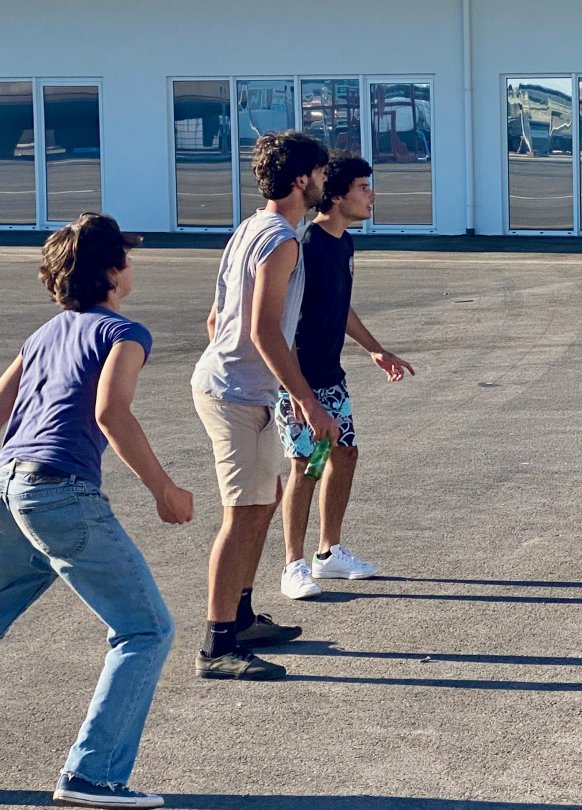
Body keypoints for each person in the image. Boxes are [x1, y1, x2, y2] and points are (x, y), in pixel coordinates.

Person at [0, 214, 193, 809]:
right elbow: (112, 415)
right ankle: (92, 775)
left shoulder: (42, 334)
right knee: (146, 628)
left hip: (6, 488)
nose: (133, 263)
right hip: (60, 493)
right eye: (126, 255)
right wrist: (164, 491)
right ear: (110, 272)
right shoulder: (123, 334)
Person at [191, 131, 336, 680]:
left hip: (237, 386)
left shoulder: (251, 228)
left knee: (265, 498)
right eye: (321, 172)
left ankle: (243, 616)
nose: (326, 181)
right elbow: (262, 328)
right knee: (244, 515)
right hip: (235, 393)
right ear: (302, 179)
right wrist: (307, 400)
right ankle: (218, 645)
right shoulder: (282, 240)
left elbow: (216, 319)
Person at [278, 151, 414, 600]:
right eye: (362, 187)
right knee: (308, 465)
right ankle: (293, 565)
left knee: (345, 456)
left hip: (330, 376)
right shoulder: (308, 247)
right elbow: (284, 321)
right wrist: (299, 392)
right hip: (298, 380)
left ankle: (329, 552)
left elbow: (342, 307)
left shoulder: (344, 244)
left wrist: (375, 349)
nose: (371, 194)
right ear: (335, 196)